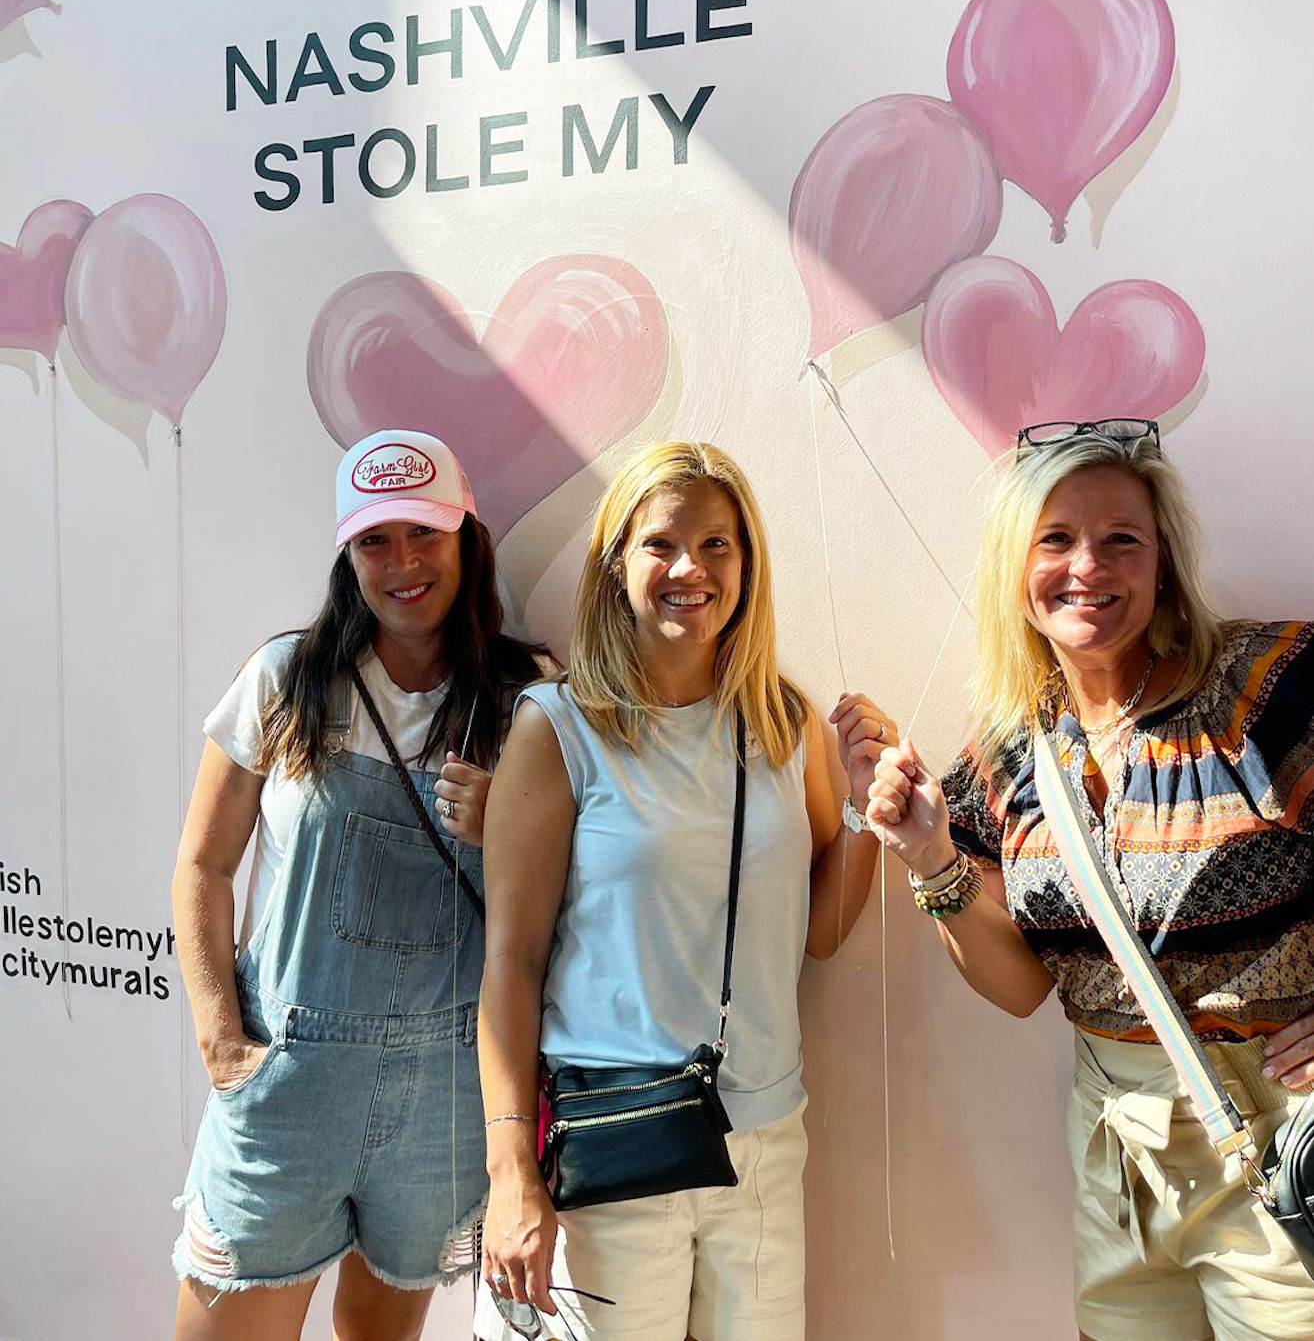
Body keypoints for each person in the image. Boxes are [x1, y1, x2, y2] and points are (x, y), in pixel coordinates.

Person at [866, 418, 1314, 1341]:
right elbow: (1025, 988)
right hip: (1116, 1164)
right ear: (1015, 566)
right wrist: (928, 858)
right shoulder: (1006, 756)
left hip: (1277, 1144)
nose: (1089, 568)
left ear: (1163, 562)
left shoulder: (1262, 686)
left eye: (1122, 540)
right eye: (1057, 540)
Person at [474, 440, 895, 1341]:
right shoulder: (558, 730)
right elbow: (508, 963)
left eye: (717, 545)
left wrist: (862, 815)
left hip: (764, 1143)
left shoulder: (784, 722)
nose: (689, 569)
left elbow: (815, 935)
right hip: (612, 1140)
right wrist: (511, 1167)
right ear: (615, 562)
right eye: (661, 544)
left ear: (746, 565)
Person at [171, 429, 547, 1341]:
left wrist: (504, 829)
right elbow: (203, 866)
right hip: (289, 1086)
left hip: (444, 1099)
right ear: (347, 556)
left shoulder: (525, 699)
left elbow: (561, 911)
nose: (404, 562)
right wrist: (223, 1042)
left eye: (424, 533)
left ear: (466, 537)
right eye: (376, 540)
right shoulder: (287, 680)